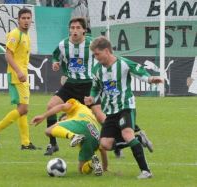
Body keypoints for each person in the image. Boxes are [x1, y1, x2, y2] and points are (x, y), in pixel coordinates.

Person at [84, 36, 164, 179]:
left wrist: (151, 79)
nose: (95, 57)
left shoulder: (123, 64)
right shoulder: (97, 69)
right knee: (105, 144)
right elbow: (95, 89)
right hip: (110, 110)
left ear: (107, 51)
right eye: (94, 55)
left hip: (126, 106)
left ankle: (146, 171)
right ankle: (138, 139)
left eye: (97, 54)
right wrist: (92, 98)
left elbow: (139, 71)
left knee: (127, 134)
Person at [43, 17, 105, 156]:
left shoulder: (92, 44)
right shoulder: (63, 44)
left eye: (78, 28)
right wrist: (55, 63)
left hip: (88, 85)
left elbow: (104, 56)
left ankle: (114, 143)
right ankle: (52, 144)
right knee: (50, 106)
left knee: (100, 116)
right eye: (72, 28)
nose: (75, 30)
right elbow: (55, 56)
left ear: (84, 30)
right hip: (70, 84)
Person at [0, 8, 40, 150]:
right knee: (23, 108)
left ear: (31, 20)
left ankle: (25, 143)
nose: (26, 21)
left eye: (28, 18)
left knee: (22, 109)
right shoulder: (15, 34)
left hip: (22, 75)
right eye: (23, 18)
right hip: (17, 76)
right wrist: (18, 71)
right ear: (18, 20)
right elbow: (8, 55)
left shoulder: (26, 36)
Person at [31, 98, 108, 175]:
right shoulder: (91, 116)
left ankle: (73, 136)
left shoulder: (75, 105)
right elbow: (103, 150)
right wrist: (105, 168)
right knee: (82, 170)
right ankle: (92, 163)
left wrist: (43, 116)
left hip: (82, 123)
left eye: (62, 120)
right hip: (95, 135)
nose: (62, 123)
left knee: (48, 131)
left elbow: (61, 107)